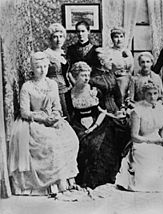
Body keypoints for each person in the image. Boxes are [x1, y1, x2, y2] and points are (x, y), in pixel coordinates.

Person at [8, 52, 79, 195]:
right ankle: (49, 185)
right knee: (50, 144)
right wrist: (43, 119)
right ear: (33, 69)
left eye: (45, 66)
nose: (42, 70)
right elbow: (25, 112)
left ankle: (64, 181)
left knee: (72, 139)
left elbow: (57, 107)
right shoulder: (27, 86)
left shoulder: (52, 84)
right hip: (33, 122)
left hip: (51, 119)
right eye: (39, 67)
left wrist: (55, 116)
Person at [70, 61, 130, 188]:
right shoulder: (69, 94)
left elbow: (102, 112)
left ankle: (98, 179)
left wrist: (94, 127)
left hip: (98, 123)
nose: (86, 79)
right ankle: (80, 178)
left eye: (88, 75)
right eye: (83, 75)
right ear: (75, 77)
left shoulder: (94, 91)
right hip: (78, 125)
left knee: (96, 143)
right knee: (80, 142)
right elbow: (70, 115)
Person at [44, 23, 72, 121]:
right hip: (55, 89)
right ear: (50, 39)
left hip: (67, 88)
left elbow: (66, 72)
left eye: (61, 36)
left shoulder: (63, 53)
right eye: (55, 37)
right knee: (62, 116)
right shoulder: (46, 54)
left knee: (71, 116)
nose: (58, 40)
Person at [89, 47, 122, 114]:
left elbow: (118, 95)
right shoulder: (92, 79)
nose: (111, 62)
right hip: (100, 114)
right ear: (102, 62)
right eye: (110, 60)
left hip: (115, 110)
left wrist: (121, 108)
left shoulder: (111, 74)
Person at [66, 20, 98, 84]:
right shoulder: (71, 49)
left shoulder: (95, 50)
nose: (80, 34)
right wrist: (74, 83)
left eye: (83, 31)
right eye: (78, 31)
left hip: (91, 82)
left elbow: (97, 71)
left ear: (88, 31)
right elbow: (68, 70)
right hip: (74, 82)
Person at [108, 27, 134, 105]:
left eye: (121, 36)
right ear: (112, 39)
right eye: (116, 37)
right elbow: (107, 69)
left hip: (127, 79)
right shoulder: (109, 52)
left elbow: (131, 68)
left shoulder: (127, 52)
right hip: (114, 80)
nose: (119, 40)